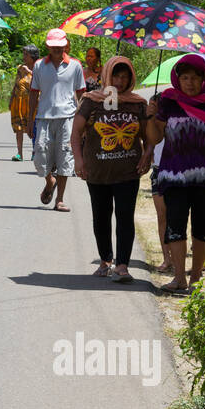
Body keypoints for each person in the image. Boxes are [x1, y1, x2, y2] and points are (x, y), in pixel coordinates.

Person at [142, 54, 205, 294]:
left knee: (204, 228)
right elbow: (155, 138)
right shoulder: (168, 103)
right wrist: (151, 115)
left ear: (204, 79)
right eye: (184, 77)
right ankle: (179, 278)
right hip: (175, 177)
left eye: (194, 78)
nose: (189, 82)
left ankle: (196, 279)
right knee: (175, 226)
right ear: (178, 80)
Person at [71, 55, 149, 280]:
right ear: (107, 75)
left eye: (125, 76)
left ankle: (122, 266)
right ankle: (105, 260)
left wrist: (148, 154)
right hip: (97, 171)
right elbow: (76, 132)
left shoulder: (137, 103)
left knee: (125, 217)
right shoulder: (91, 100)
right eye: (116, 75)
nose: (120, 81)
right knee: (101, 216)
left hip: (128, 171)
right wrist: (78, 160)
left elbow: (148, 136)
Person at [30, 29, 86, 212]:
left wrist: (82, 120)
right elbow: (33, 93)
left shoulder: (75, 66)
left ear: (65, 44)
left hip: (67, 118)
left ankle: (59, 200)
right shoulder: (39, 66)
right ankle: (49, 180)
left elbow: (81, 94)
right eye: (52, 45)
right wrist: (30, 120)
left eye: (59, 45)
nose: (56, 48)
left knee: (65, 158)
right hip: (43, 117)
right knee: (40, 156)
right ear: (47, 45)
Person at [146, 94, 174, 273]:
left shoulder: (171, 121)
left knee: (175, 216)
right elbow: (146, 141)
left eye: (156, 105)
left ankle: (176, 255)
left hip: (174, 170)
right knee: (162, 215)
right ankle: (167, 258)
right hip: (157, 170)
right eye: (151, 105)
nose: (152, 107)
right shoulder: (149, 121)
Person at [9, 45, 38, 161]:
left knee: (34, 127)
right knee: (19, 127)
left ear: (33, 56)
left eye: (26, 54)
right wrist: (11, 98)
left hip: (33, 102)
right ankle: (19, 153)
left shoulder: (39, 67)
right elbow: (16, 83)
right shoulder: (20, 68)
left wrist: (29, 71)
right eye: (24, 54)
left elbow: (40, 81)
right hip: (19, 100)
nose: (24, 57)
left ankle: (35, 151)